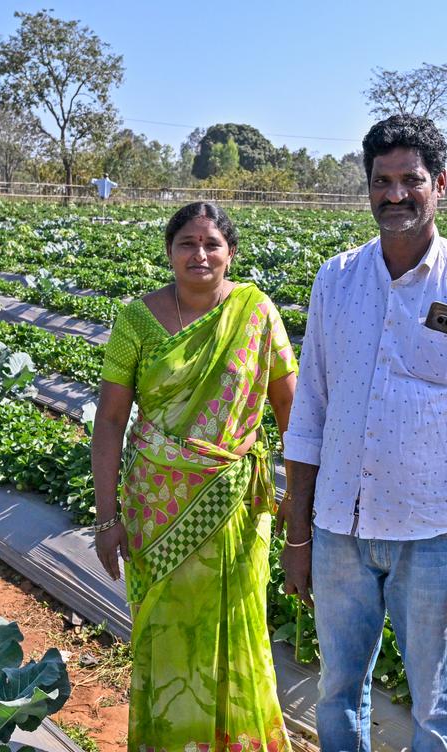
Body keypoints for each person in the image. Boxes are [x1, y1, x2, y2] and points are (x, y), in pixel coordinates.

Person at [278, 115, 447, 751]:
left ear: (439, 184)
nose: (395, 195)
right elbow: (309, 417)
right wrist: (298, 536)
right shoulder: (336, 280)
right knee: (337, 691)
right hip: (339, 530)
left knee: (435, 709)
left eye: (410, 179)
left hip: (434, 538)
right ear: (366, 187)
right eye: (381, 181)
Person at [91, 201, 298, 752]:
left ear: (230, 253)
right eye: (187, 243)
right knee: (165, 633)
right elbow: (110, 422)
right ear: (169, 252)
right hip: (155, 508)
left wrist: (301, 507)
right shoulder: (136, 320)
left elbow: (291, 414)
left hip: (234, 508)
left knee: (238, 629)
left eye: (211, 244)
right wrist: (106, 518)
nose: (199, 254)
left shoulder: (256, 311)